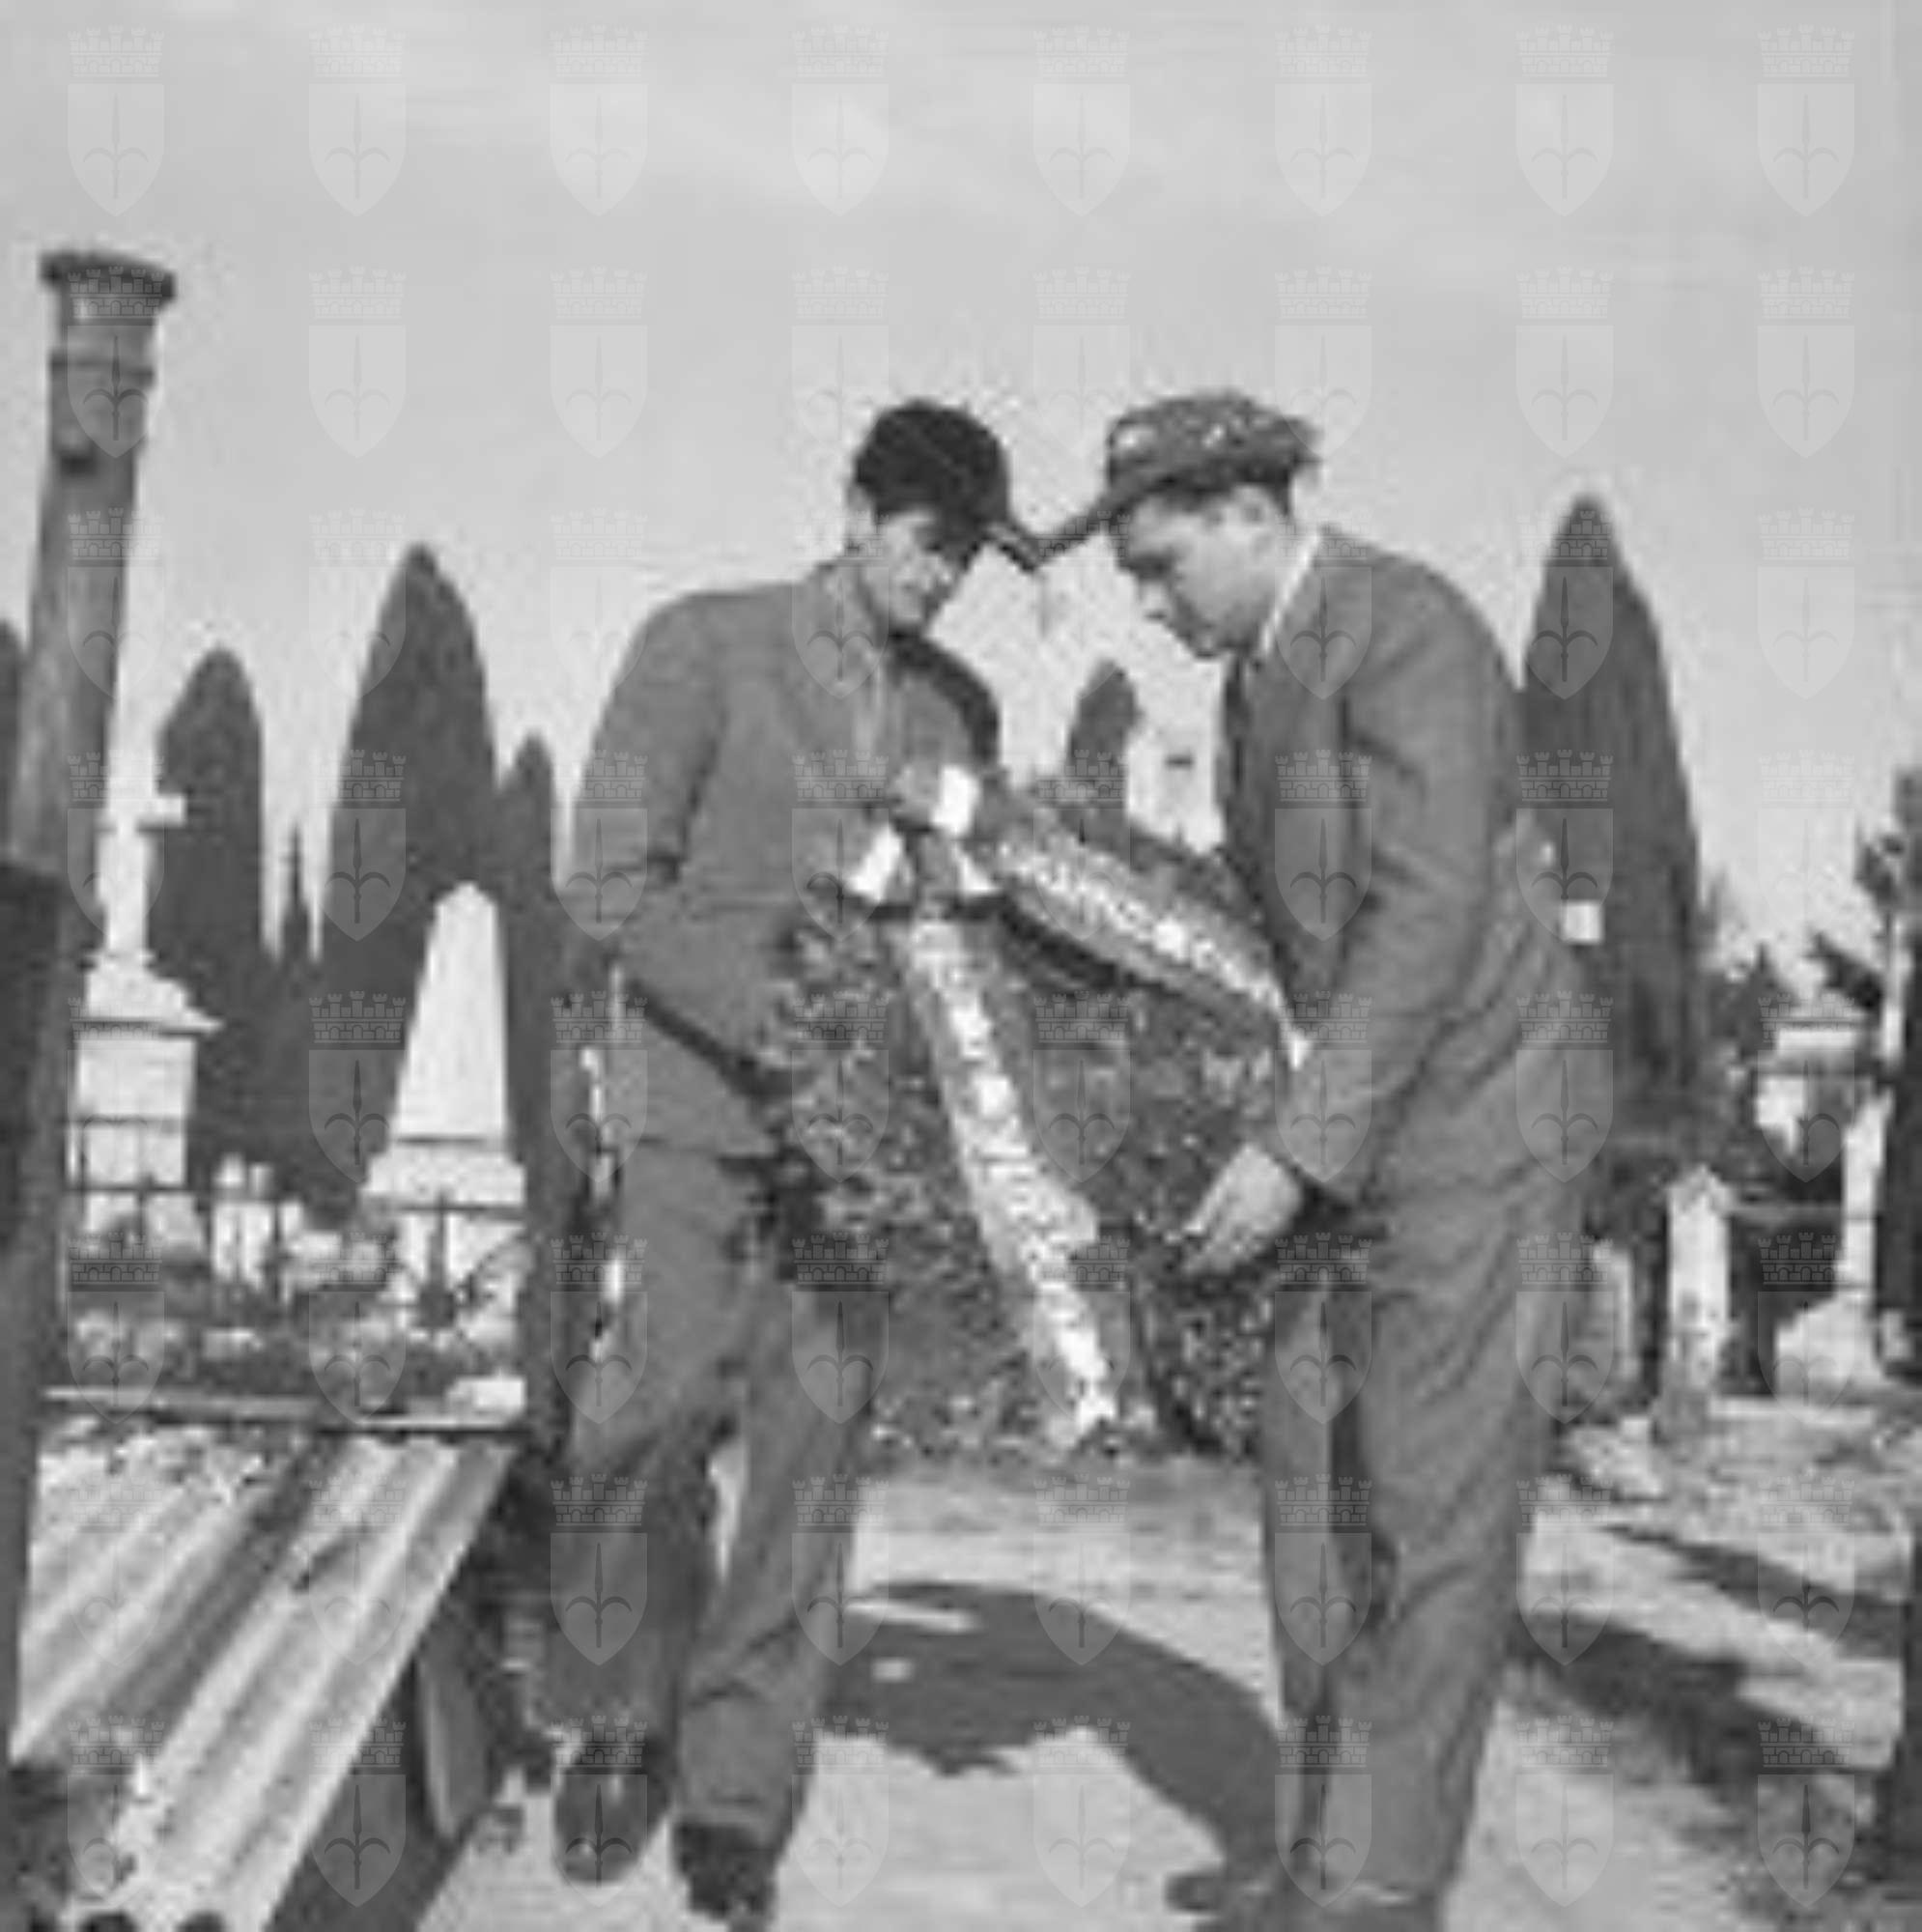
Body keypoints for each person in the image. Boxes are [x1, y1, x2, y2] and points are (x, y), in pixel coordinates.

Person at [1037, 392, 1587, 1931]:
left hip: (1475, 1137)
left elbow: (1424, 918)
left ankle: (1377, 1888)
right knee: (1309, 1484)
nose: (1148, 608)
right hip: (1355, 1150)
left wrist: (1293, 1152)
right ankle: (1329, 1847)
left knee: (1426, 1515)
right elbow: (1264, 921)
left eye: (1159, 569)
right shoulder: (1255, 683)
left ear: (1249, 515)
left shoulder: (1407, 633)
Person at [551, 401, 1041, 1928]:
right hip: (695, 1115)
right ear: (854, 510)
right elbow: (608, 886)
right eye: (924, 541)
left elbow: (957, 930)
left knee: (808, 1466)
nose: (940, 577)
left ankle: (734, 1800)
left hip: (856, 1167)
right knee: (648, 1417)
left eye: (964, 558)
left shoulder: (960, 712)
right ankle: (621, 1716)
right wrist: (786, 1029)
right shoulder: (698, 647)